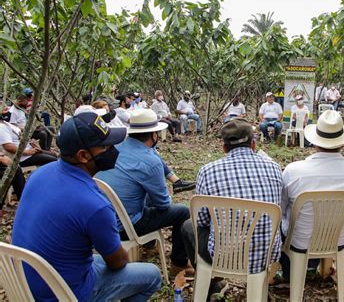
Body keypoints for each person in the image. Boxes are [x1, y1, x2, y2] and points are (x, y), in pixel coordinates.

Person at [12, 112, 161, 301]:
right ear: (83, 155)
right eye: (105, 146)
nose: (113, 149)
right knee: (151, 275)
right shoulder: (95, 205)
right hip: (62, 293)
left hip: (24, 280)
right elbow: (117, 262)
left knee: (98, 261)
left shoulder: (39, 175)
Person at [181, 119, 283, 293]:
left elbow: (202, 220)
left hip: (223, 255)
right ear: (253, 144)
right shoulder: (274, 168)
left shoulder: (208, 171)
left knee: (188, 226)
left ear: (225, 148)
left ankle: (210, 283)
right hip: (265, 255)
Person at [96, 109, 194, 276]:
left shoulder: (115, 146)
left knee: (142, 193)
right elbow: (163, 204)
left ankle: (149, 245)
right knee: (183, 212)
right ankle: (179, 263)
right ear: (154, 135)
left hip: (100, 219)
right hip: (124, 226)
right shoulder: (151, 161)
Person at [280, 110, 344, 281]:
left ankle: (291, 270)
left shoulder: (294, 171)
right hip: (337, 239)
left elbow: (281, 209)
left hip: (299, 242)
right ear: (342, 143)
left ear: (314, 142)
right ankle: (317, 266)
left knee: (279, 221)